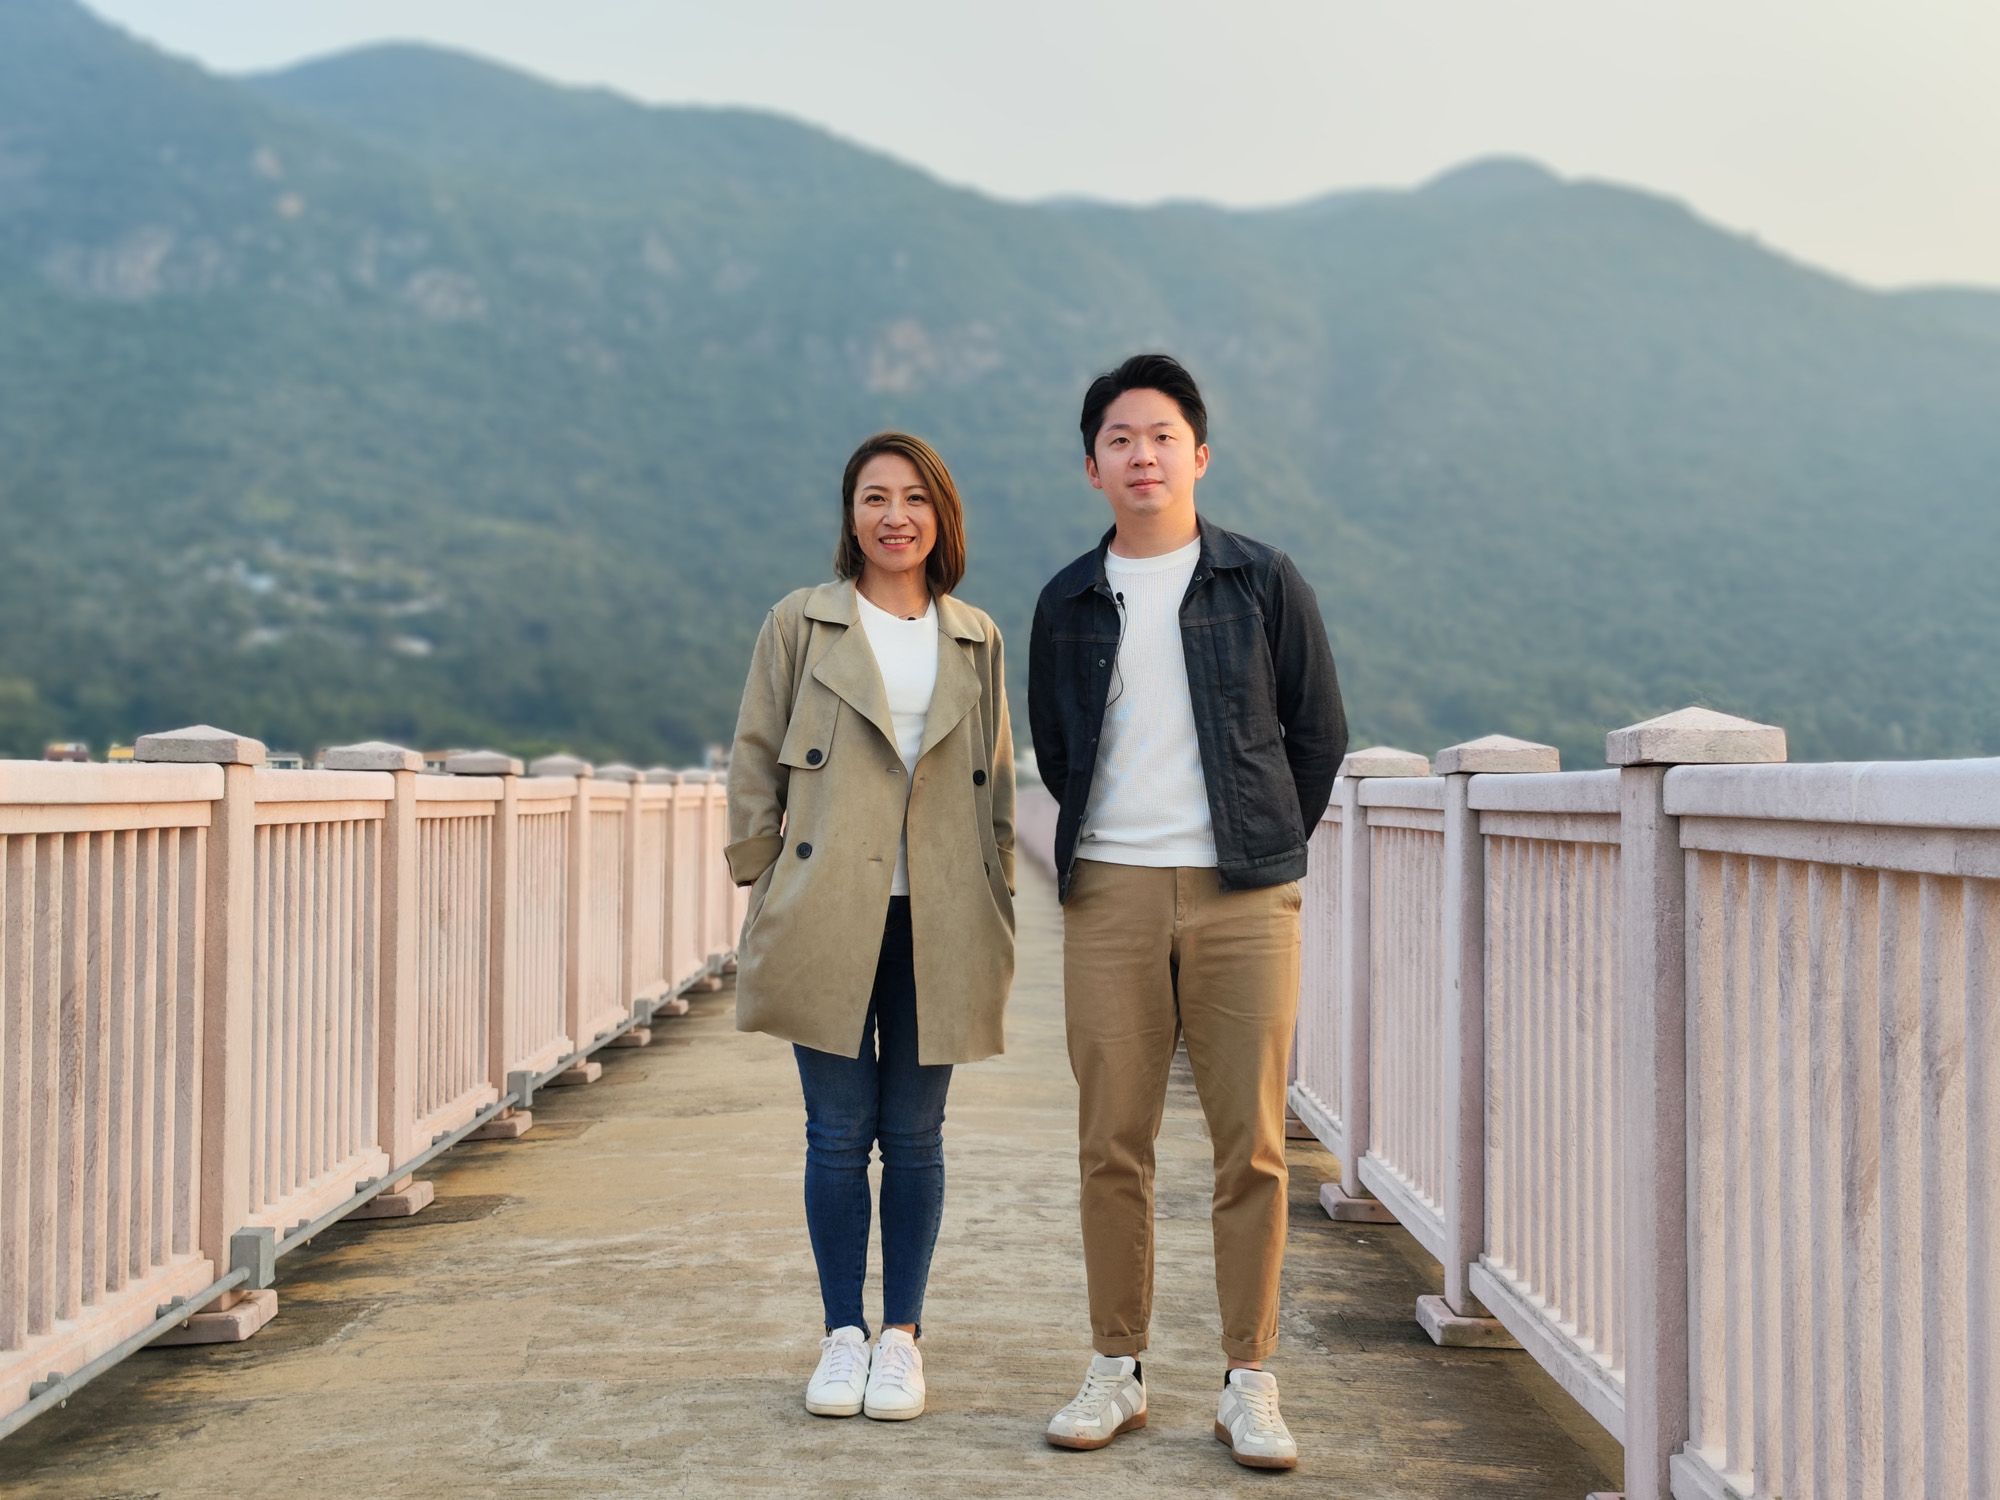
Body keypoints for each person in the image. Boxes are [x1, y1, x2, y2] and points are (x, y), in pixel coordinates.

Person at [1028, 354, 1345, 1471]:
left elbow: (1315, 735)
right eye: (1119, 439)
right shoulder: (1066, 599)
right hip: (1109, 887)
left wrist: (1258, 846)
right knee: (1110, 1140)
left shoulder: (1261, 582)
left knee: (1248, 1146)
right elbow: (1061, 754)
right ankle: (1115, 1366)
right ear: (1092, 467)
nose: (1141, 455)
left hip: (1244, 894)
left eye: (1160, 436)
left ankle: (1247, 1377)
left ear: (1197, 456)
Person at [725, 431, 1016, 1424]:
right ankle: (839, 1334)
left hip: (937, 915)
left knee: (917, 1136)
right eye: (872, 497)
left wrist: (999, 901)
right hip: (826, 911)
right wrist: (758, 883)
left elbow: (1000, 786)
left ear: (942, 516)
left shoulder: (974, 634)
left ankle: (902, 1338)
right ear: (848, 516)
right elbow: (752, 758)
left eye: (912, 499)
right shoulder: (799, 625)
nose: (894, 516)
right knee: (837, 1134)